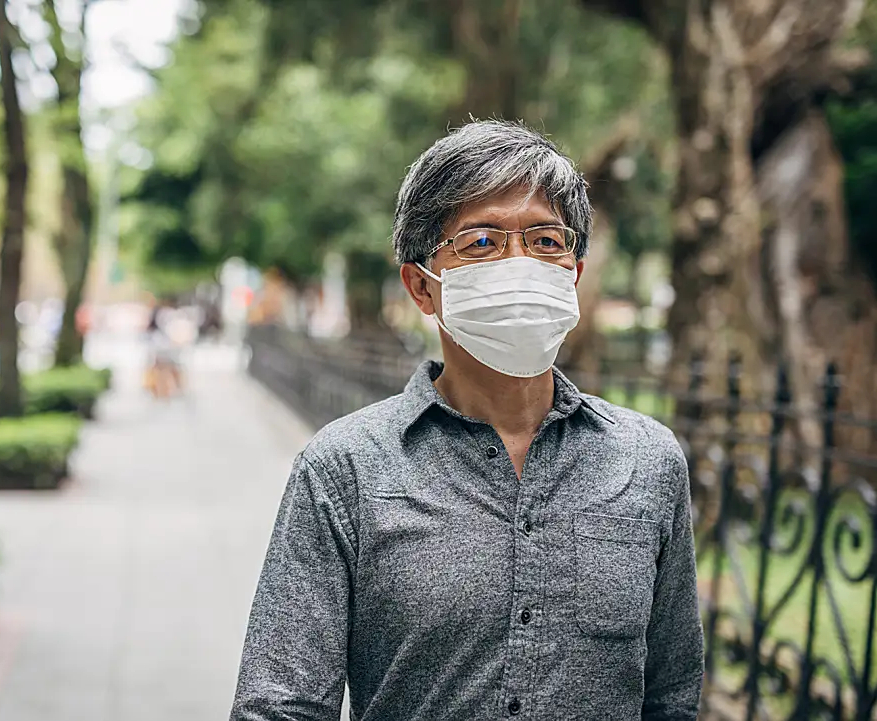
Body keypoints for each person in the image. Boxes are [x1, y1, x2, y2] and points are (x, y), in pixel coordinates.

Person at [230, 120, 704, 721]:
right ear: (422, 287)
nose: (520, 262)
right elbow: (279, 705)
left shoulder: (648, 461)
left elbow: (673, 695)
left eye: (546, 241)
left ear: (574, 275)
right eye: (481, 242)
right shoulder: (343, 471)